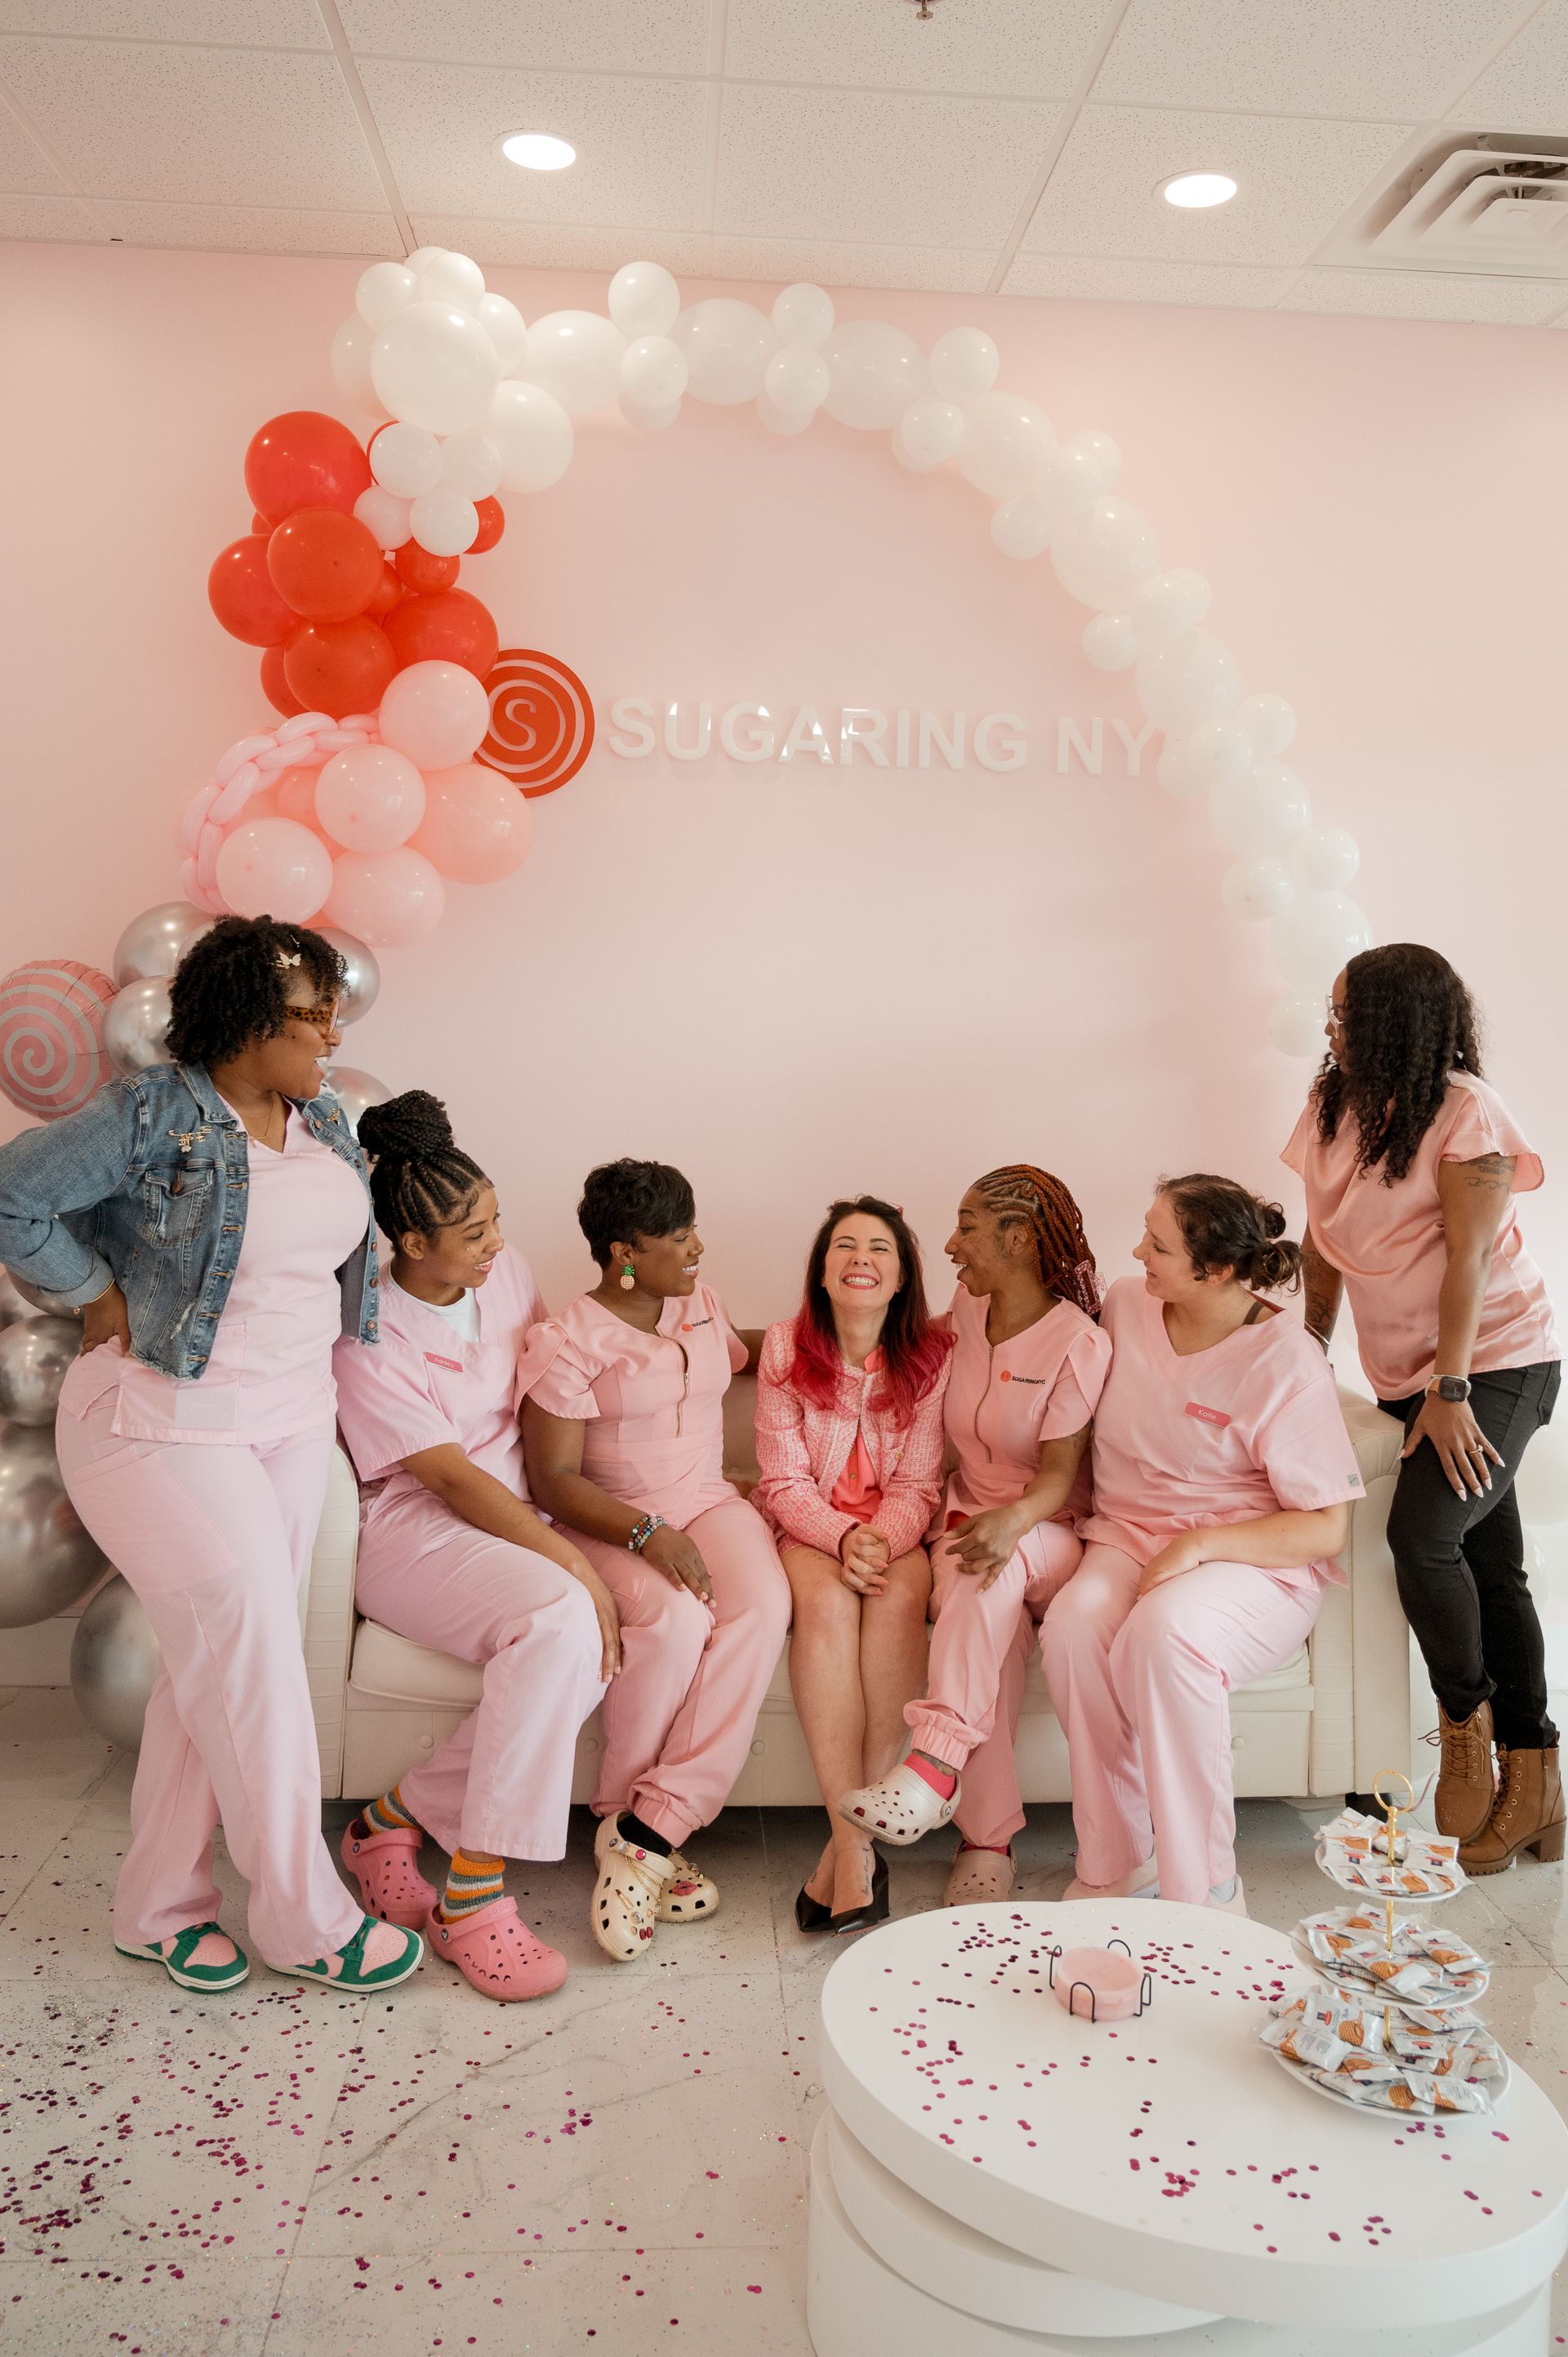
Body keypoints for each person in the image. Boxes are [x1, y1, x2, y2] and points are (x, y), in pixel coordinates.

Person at [0, 916, 421, 1994]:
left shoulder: (316, 1110)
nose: (333, 1030)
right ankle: (304, 1917)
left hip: (285, 1419)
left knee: (214, 1668)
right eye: (311, 1014)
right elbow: (13, 1193)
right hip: (162, 1423)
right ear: (243, 1019)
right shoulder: (149, 1111)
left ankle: (158, 1906)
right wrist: (93, 1293)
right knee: (261, 1665)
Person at [332, 1091, 614, 2001]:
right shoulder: (367, 1333)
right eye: (475, 1232)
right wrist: (574, 1564)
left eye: (497, 1221)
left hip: (514, 1516)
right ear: (413, 1246)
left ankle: (391, 1819)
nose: (497, 1244)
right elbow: (451, 1479)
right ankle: (475, 1898)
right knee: (565, 1619)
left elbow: (539, 1402)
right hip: (416, 1529)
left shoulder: (510, 1274)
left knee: (592, 1645)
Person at [1287, 946, 1562, 1870]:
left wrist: (1450, 1390)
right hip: (1408, 1373)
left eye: (1345, 1015)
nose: (1331, 1030)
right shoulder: (1332, 1110)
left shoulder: (1464, 1109)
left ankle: (1462, 1722)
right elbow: (1321, 1248)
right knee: (1494, 1565)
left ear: (1396, 1019)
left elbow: (1474, 1259)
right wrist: (1303, 1358)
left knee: (1425, 1537)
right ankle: (1541, 1783)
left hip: (1498, 1360)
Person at [1040, 1176, 1364, 1913]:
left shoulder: (1286, 1360)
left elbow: (1325, 1527)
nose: (1136, 1252)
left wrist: (1202, 1547)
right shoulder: (1127, 1304)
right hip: (1125, 1537)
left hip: (1250, 1560)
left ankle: (1207, 1889)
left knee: (1165, 1635)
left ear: (1216, 1269)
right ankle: (1119, 1859)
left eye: (1157, 1244)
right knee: (1072, 1627)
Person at [519, 1159, 791, 1961]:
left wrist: (844, 1333)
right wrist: (646, 1534)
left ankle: (651, 1827)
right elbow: (554, 1481)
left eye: (691, 1228)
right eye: (677, 1237)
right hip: (607, 1520)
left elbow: (743, 1354)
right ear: (622, 1252)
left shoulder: (699, 1308)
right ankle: (617, 1819)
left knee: (762, 1606)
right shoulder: (566, 1344)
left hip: (708, 1500)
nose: (698, 1247)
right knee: (673, 1621)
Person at [839, 1167, 1111, 1906]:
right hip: (967, 1526)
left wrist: (1013, 1522)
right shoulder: (967, 1305)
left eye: (967, 1226)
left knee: (987, 1562)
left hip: (1049, 1532)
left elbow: (1059, 1477)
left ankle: (932, 1766)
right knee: (981, 1598)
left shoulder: (1077, 1342)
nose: (953, 1244)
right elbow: (891, 1340)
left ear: (1018, 1239)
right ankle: (987, 1842)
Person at [753, 1196, 951, 1934]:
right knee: (830, 1606)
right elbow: (781, 1482)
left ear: (901, 1277)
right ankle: (853, 1844)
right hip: (811, 1529)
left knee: (899, 1602)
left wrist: (882, 1541)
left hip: (897, 1533)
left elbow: (920, 1482)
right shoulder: (783, 1348)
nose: (860, 1258)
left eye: (879, 1248)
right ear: (823, 1268)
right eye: (844, 1246)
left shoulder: (931, 1358)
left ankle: (848, 1855)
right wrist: (841, 1539)